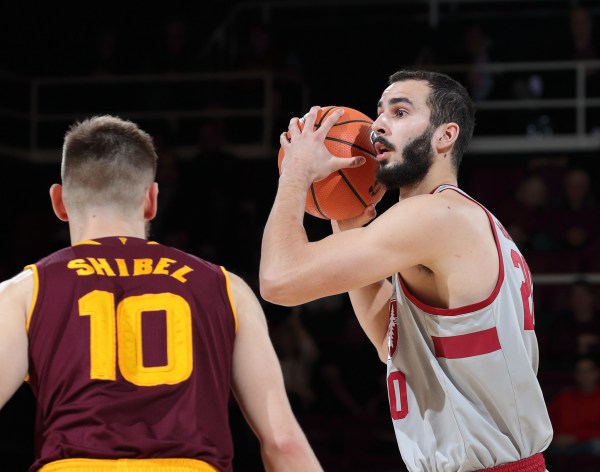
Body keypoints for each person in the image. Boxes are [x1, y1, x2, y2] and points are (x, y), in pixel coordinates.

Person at [259, 69, 553, 471]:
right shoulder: (457, 218)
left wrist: (294, 174)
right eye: (379, 112)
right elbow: (391, 342)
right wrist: (347, 222)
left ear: (444, 136)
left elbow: (279, 280)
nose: (378, 124)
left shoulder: (435, 216)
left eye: (400, 112)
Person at [0, 115, 323, 472]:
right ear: (152, 199)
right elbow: (283, 443)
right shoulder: (225, 288)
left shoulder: (25, 291)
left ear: (59, 202)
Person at [547, 355, 600, 456]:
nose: (584, 376)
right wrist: (555, 437)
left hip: (588, 444)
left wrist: (576, 438)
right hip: (560, 445)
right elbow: (546, 421)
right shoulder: (564, 397)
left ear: (597, 373)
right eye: (580, 372)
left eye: (588, 371)